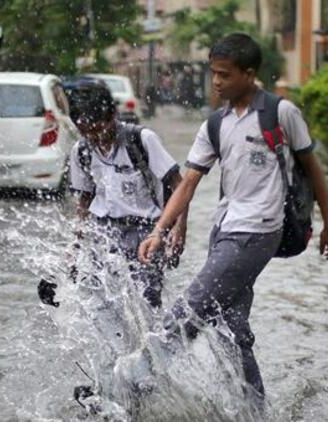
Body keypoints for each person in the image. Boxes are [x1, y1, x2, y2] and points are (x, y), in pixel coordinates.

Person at [138, 33, 328, 401]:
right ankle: (254, 408)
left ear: (249, 73)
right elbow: (187, 183)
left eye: (225, 75)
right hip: (224, 230)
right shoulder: (214, 125)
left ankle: (136, 377)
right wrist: (160, 229)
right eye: (214, 74)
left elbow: (314, 168)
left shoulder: (281, 113)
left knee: (190, 308)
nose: (217, 82)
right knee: (231, 328)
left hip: (260, 232)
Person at [65, 80, 187, 405]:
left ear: (111, 116)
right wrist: (74, 247)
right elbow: (85, 200)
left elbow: (179, 183)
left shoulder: (140, 139)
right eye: (86, 129)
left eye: (99, 127)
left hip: (147, 232)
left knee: (145, 306)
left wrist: (178, 230)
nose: (94, 135)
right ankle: (115, 377)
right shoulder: (82, 150)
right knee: (104, 303)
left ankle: (145, 377)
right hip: (105, 232)